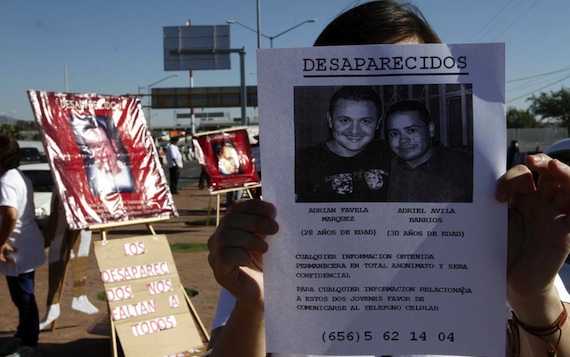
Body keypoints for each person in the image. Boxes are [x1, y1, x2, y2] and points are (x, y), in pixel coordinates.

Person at [205, 2, 570, 357]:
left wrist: (533, 296)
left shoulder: (493, 218)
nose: (356, 130)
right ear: (330, 118)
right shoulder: (274, 234)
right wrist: (256, 307)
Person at [295, 86, 391, 202]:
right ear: (330, 120)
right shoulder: (302, 161)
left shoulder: (391, 153)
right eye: (345, 120)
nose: (354, 131)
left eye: (365, 121)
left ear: (378, 123)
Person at [0, 135, 46, 357]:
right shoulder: (19, 176)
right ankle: (22, 335)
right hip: (25, 243)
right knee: (21, 296)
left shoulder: (6, 181)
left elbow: (10, 215)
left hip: (17, 246)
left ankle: (30, 343)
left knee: (25, 297)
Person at [385, 100, 473, 202]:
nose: (403, 140)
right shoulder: (387, 170)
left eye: (411, 130)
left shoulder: (465, 167)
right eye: (394, 133)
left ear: (430, 130)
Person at [38, 195, 99, 331]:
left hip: (80, 200)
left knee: (82, 245)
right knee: (57, 249)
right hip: (65, 198)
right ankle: (52, 306)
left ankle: (80, 295)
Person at [70, 114, 136, 196]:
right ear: (89, 152)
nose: (102, 151)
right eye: (94, 146)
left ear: (114, 145)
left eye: (105, 144)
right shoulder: (85, 180)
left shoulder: (134, 175)